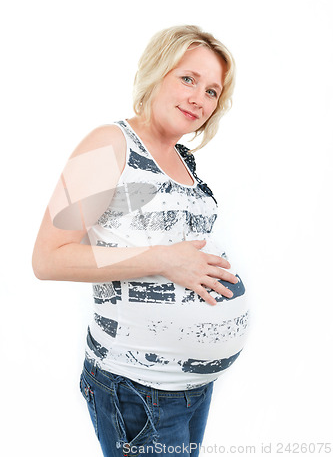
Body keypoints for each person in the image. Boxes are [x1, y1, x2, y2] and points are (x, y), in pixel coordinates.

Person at [32, 25, 249, 457]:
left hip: (189, 389)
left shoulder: (184, 160)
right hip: (138, 388)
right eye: (187, 78)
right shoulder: (111, 144)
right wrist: (163, 260)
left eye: (211, 91)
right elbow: (48, 258)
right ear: (157, 72)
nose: (198, 98)